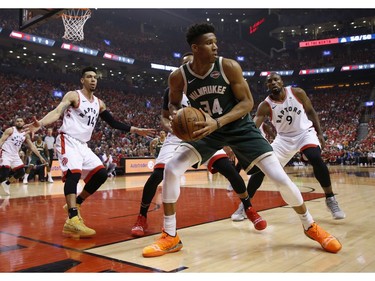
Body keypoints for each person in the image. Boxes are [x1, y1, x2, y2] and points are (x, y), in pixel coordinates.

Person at [142, 23, 342, 258]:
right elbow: (173, 104)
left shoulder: (228, 66)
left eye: (216, 41)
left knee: (279, 177)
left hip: (239, 127)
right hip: (206, 130)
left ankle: (310, 226)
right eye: (209, 43)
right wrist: (177, 115)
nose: (215, 46)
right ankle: (170, 235)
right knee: (172, 168)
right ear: (195, 48)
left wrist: (218, 122)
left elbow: (247, 103)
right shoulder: (178, 76)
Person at [131, 53, 265, 237]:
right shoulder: (173, 89)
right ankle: (142, 217)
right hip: (178, 137)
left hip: (207, 135)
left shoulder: (210, 86)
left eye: (192, 61)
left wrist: (226, 139)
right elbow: (163, 115)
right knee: (157, 174)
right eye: (185, 63)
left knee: (230, 170)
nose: (190, 65)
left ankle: (249, 208)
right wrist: (170, 125)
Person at [23, 66, 156, 239]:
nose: (93, 79)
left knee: (101, 174)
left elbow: (113, 122)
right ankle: (72, 220)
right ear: (82, 80)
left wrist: (134, 129)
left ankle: (77, 203)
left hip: (83, 145)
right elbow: (57, 112)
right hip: (68, 139)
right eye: (89, 77)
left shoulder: (99, 103)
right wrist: (40, 123)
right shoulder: (74, 95)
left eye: (95, 77)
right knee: (73, 174)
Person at [231, 72, 346, 221]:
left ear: (281, 81)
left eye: (276, 79)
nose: (273, 82)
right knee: (260, 170)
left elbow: (310, 111)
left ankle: (330, 199)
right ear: (267, 85)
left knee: (314, 157)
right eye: (269, 81)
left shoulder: (297, 93)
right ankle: (245, 207)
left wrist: (319, 133)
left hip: (305, 133)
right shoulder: (265, 105)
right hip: (284, 139)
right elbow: (253, 127)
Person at [0, 117, 47, 195]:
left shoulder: (25, 134)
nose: (19, 122)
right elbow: (1, 140)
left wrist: (40, 157)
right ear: (15, 123)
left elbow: (32, 146)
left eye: (21, 121)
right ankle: (4, 182)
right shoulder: (10, 130)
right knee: (4, 174)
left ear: (23, 123)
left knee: (21, 172)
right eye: (17, 121)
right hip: (6, 153)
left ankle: (7, 183)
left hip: (15, 155)